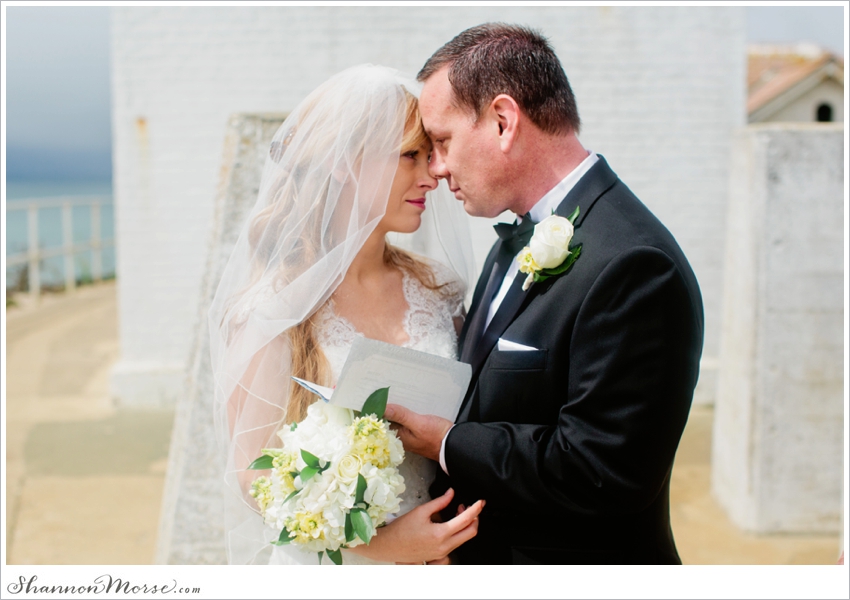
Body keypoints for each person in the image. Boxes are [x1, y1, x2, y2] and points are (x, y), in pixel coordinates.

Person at [385, 23, 705, 564]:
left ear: (504, 121)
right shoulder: (515, 239)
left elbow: (600, 472)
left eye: (441, 142)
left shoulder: (634, 265)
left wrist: (446, 442)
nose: (436, 169)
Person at [209, 64, 483, 565]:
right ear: (345, 163)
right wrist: (381, 545)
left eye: (432, 156)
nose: (432, 177)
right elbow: (253, 476)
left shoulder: (438, 290)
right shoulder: (274, 309)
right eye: (410, 156)